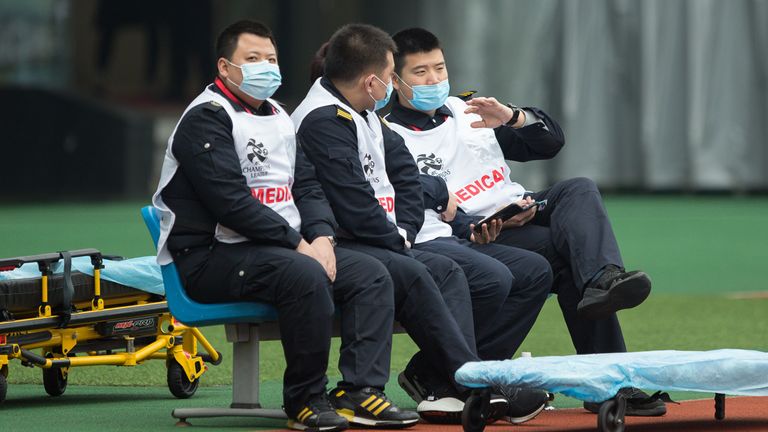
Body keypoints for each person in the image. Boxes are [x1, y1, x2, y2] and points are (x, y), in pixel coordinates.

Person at [151, 20, 419, 431]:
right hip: (210, 258)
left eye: (271, 59)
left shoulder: (278, 115)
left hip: (278, 248)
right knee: (304, 274)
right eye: (252, 59)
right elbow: (232, 203)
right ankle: (305, 401)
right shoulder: (205, 119)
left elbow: (308, 186)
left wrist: (324, 238)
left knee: (370, 273)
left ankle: (361, 391)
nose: (265, 67)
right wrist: (299, 245)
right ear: (225, 67)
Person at [385, 27, 665, 417]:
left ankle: (605, 281)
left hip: (519, 210)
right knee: (566, 265)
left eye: (439, 67)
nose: (434, 79)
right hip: (470, 236)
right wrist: (470, 224)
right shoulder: (386, 132)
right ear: (394, 79)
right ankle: (608, 383)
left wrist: (513, 117)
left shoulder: (468, 110)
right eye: (420, 73)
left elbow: (550, 144)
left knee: (579, 189)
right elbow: (411, 206)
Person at [292, 23, 547, 425]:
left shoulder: (363, 113)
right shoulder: (323, 119)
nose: (394, 84)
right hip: (344, 241)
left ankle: (459, 382)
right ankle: (467, 385)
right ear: (372, 80)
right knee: (427, 271)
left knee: (475, 271)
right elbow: (352, 202)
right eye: (393, 74)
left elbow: (407, 177)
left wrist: (404, 232)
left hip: (384, 237)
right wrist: (397, 239)